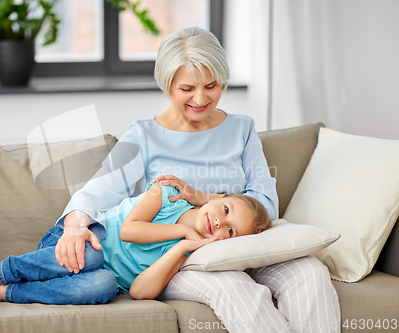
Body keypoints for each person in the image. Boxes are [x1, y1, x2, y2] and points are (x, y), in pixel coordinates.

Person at [56, 27, 340, 333]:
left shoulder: (242, 129)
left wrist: (206, 199)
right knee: (233, 286)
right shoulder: (143, 135)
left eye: (211, 85)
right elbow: (102, 187)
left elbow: (266, 205)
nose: (201, 99)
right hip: (183, 256)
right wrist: (75, 223)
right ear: (168, 86)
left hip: (244, 243)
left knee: (310, 273)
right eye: (187, 88)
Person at [0, 181, 270, 305]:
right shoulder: (166, 195)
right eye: (225, 210)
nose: (219, 222)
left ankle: (1, 293)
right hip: (79, 243)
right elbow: (130, 230)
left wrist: (180, 249)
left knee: (104, 285)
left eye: (229, 232)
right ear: (219, 197)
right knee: (93, 258)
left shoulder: (191, 254)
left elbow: (139, 291)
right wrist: (179, 233)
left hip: (99, 275)